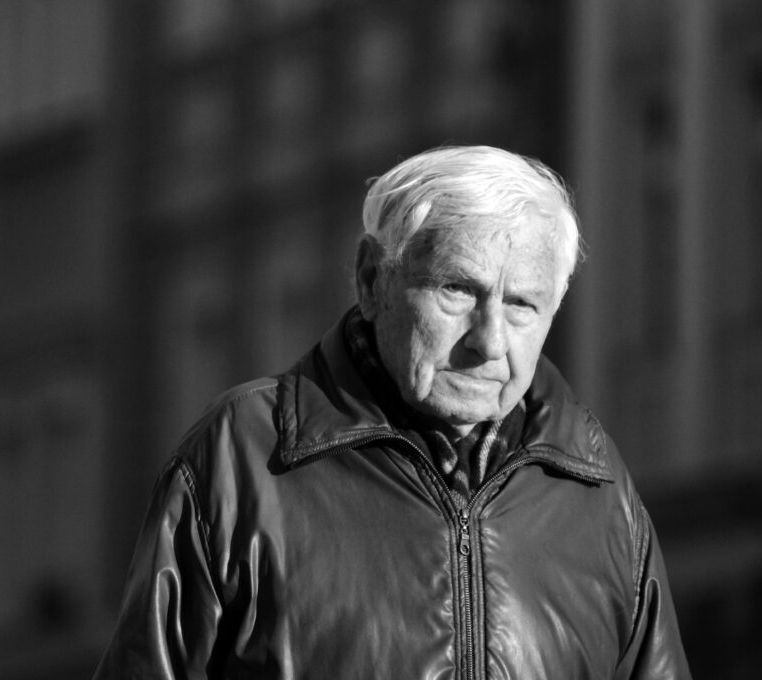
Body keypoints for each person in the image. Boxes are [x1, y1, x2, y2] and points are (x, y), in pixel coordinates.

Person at [93, 146, 691, 679]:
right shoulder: (242, 456)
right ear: (372, 279)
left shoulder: (595, 487)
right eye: (457, 290)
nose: (489, 340)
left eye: (521, 305)